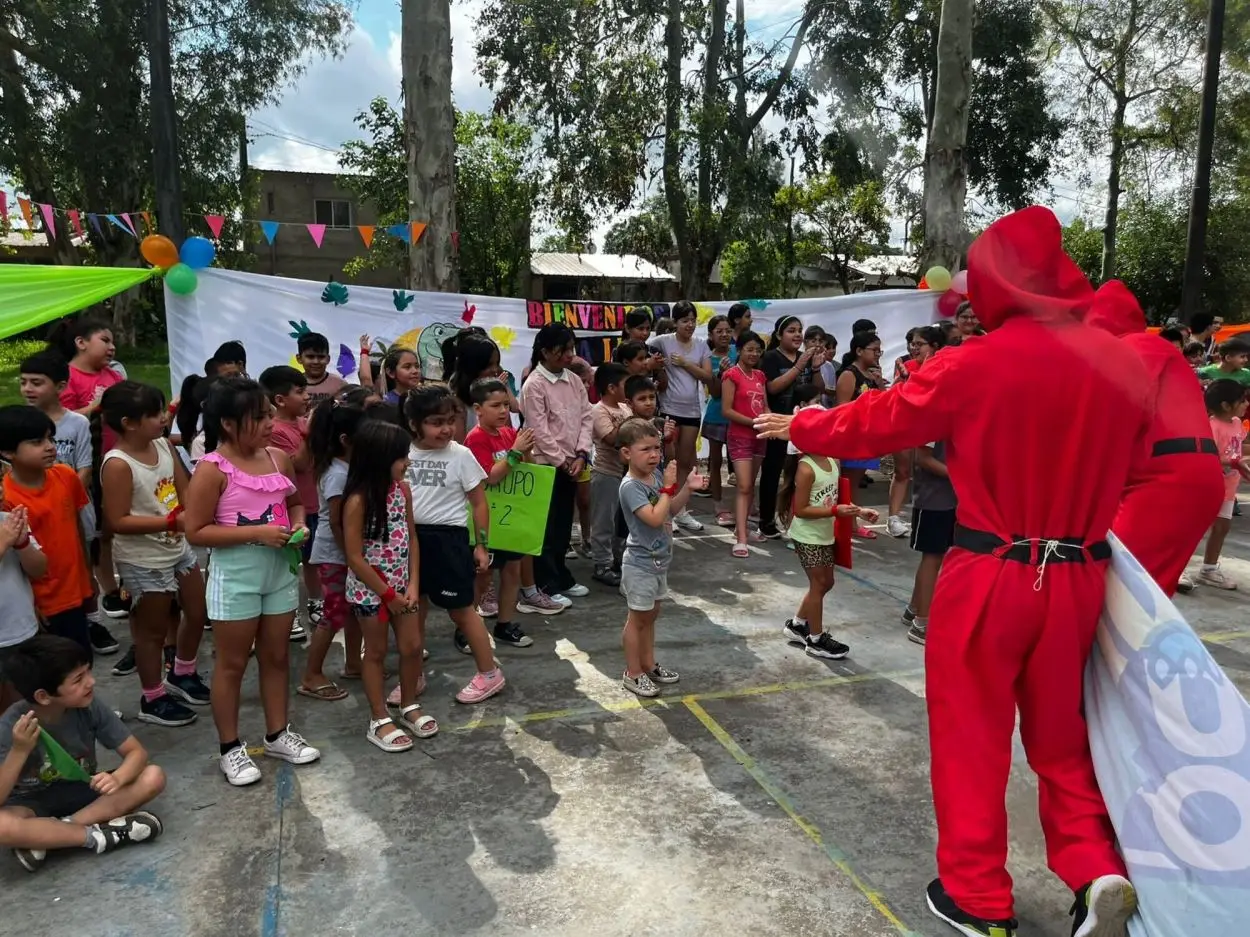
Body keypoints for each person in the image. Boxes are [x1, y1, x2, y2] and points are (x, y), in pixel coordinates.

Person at [757, 206, 1148, 937]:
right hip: (1079, 576)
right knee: (1063, 736)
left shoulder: (975, 362)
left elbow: (882, 420)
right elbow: (1136, 471)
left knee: (972, 734)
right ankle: (1094, 865)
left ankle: (980, 897)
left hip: (992, 568)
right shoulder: (1123, 362)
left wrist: (805, 424)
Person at [183, 377, 320, 787]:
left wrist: (297, 525)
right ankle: (230, 748)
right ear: (227, 423)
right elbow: (196, 531)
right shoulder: (212, 469)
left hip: (280, 570)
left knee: (277, 656)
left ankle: (278, 733)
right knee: (232, 663)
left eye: (268, 414)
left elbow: (294, 502)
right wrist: (257, 533)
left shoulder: (279, 458)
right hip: (236, 576)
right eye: (258, 416)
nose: (269, 422)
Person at [1083, 280, 1225, 597]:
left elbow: (1118, 411)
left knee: (1117, 594)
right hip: (1192, 475)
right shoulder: (1159, 349)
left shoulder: (1133, 347)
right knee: (1147, 597)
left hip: (1164, 482)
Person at [0, 635, 165, 873]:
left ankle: (52, 834)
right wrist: (19, 750)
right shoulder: (10, 726)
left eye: (88, 672)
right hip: (30, 805)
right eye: (78, 679)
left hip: (84, 789)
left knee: (153, 776)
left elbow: (136, 753)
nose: (91, 682)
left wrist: (117, 778)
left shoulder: (89, 707)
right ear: (43, 696)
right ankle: (95, 836)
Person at [99, 382, 210, 728]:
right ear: (129, 422)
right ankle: (152, 696)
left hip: (178, 548)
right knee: (151, 631)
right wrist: (171, 520)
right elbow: (116, 521)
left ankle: (182, 672)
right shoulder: (118, 464)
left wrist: (191, 514)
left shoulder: (162, 444)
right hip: (142, 559)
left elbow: (184, 487)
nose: (164, 418)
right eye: (155, 414)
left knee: (198, 609)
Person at [404, 386, 507, 703]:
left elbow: (479, 503)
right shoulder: (402, 451)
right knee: (413, 609)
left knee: (461, 611)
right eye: (436, 422)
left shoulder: (460, 454)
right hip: (409, 539)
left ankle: (490, 674)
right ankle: (413, 675)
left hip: (448, 540)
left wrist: (481, 545)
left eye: (450, 420)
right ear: (414, 423)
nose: (446, 429)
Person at [341, 420, 436, 751]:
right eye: (401, 457)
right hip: (372, 592)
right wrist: (387, 595)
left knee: (412, 647)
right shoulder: (356, 501)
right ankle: (379, 717)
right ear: (380, 458)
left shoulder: (403, 491)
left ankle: (408, 704)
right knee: (377, 652)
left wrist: (413, 583)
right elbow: (354, 557)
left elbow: (411, 537)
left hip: (402, 588)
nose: (407, 463)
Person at [18, 351, 117, 654]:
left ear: (60, 387)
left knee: (80, 563)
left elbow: (84, 467)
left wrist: (65, 496)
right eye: (23, 383)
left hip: (73, 506)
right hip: (35, 510)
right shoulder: (16, 425)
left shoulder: (76, 423)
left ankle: (91, 621)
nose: (28, 389)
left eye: (36, 382)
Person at [776, 397, 877, 660]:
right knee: (819, 583)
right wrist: (835, 512)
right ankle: (816, 639)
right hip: (807, 535)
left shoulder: (833, 460)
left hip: (824, 533)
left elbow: (837, 498)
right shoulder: (806, 468)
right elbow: (802, 510)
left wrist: (860, 511)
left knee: (826, 582)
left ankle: (798, 624)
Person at [0, 407, 94, 658]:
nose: (50, 446)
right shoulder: (6, 498)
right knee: (50, 674)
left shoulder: (65, 476)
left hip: (74, 590)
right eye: (36, 442)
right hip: (41, 602)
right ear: (8, 452)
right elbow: (14, 559)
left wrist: (88, 576)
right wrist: (30, 604)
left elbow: (76, 526)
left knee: (81, 661)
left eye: (50, 439)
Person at [616, 418, 701, 698]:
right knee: (637, 619)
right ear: (627, 453)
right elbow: (653, 519)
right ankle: (633, 672)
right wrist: (666, 488)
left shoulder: (654, 477)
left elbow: (669, 511)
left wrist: (686, 488)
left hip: (659, 561)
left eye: (657, 448)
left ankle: (648, 663)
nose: (654, 455)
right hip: (639, 563)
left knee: (651, 616)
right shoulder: (631, 487)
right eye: (646, 449)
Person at [300, 393, 369, 700]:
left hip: (346, 554)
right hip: (335, 554)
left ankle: (354, 663)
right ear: (346, 439)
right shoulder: (337, 475)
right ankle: (311, 674)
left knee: (351, 612)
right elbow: (338, 522)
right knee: (334, 614)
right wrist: (353, 557)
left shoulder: (345, 467)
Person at [518, 324, 593, 604]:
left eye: (571, 349)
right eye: (564, 350)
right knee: (545, 527)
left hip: (573, 463)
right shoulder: (534, 385)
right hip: (545, 465)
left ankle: (560, 575)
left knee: (563, 524)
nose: (569, 356)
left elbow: (586, 417)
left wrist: (582, 454)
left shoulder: (573, 381)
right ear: (546, 352)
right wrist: (563, 462)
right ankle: (545, 583)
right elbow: (538, 431)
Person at [464, 378, 536, 650]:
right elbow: (490, 478)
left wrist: (525, 452)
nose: (503, 411)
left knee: (512, 571)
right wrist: (516, 454)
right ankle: (466, 627)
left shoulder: (508, 434)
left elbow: (528, 469)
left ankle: (505, 624)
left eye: (506, 404)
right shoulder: (475, 439)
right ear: (478, 409)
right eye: (495, 405)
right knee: (482, 575)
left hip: (511, 518)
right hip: (486, 518)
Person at [260, 366, 319, 639]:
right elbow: (299, 465)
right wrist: (310, 435)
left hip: (314, 503)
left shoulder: (303, 422)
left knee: (313, 560)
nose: (307, 396)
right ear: (280, 400)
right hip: (290, 506)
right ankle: (289, 610)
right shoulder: (277, 431)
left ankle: (316, 602)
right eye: (300, 391)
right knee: (290, 561)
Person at [648, 300, 713, 532]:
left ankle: (682, 511)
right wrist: (656, 368)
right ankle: (666, 511)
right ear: (675, 322)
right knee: (669, 461)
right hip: (668, 410)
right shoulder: (662, 342)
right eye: (685, 320)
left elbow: (707, 376)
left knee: (687, 461)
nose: (690, 325)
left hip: (692, 411)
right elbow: (640, 350)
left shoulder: (701, 345)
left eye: (693, 320)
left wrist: (685, 363)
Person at [758, 316, 824, 539]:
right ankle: (766, 521)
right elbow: (773, 387)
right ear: (778, 335)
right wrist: (799, 365)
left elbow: (816, 392)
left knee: (799, 474)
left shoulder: (804, 358)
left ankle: (794, 519)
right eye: (791, 331)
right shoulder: (770, 357)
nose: (797, 335)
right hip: (778, 424)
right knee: (772, 473)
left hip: (802, 426)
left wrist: (814, 369)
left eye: (799, 331)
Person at [1197, 379, 1250, 590]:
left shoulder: (1237, 423)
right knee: (1194, 528)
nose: (1246, 404)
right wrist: (1235, 462)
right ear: (1227, 405)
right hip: (1209, 487)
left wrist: (1241, 460)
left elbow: (1240, 448)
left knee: (1222, 527)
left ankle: (1209, 569)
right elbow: (1208, 459)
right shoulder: (1212, 427)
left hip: (1229, 487)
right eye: (1242, 400)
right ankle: (1177, 567)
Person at [721, 331, 770, 558]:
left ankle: (744, 529)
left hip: (760, 437)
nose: (754, 354)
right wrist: (754, 422)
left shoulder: (760, 375)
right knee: (743, 486)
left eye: (758, 350)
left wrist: (769, 421)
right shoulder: (731, 375)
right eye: (749, 349)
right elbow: (727, 410)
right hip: (740, 437)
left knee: (750, 484)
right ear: (739, 350)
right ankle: (740, 538)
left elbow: (765, 405)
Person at [835, 332, 886, 539]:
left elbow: (883, 403)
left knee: (853, 483)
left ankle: (851, 522)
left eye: (879, 350)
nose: (877, 354)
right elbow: (842, 409)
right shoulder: (849, 375)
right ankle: (850, 524)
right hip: (853, 437)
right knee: (847, 482)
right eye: (874, 350)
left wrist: (880, 383)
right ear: (858, 351)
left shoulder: (871, 375)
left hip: (868, 436)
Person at [588, 363, 633, 586]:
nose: (630, 388)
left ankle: (618, 559)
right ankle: (602, 564)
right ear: (612, 388)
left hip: (625, 473)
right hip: (606, 473)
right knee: (603, 521)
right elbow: (612, 439)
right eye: (626, 384)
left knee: (621, 522)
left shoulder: (626, 408)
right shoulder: (598, 410)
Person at [703, 316, 736, 527]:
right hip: (716, 416)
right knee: (715, 463)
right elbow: (714, 393)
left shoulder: (739, 354)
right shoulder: (708, 359)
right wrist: (721, 373)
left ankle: (746, 506)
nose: (724, 334)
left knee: (742, 463)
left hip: (738, 416)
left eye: (727, 330)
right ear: (711, 335)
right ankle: (718, 506)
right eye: (719, 331)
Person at [297, 332, 348, 409]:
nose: (316, 362)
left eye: (321, 357)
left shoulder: (340, 384)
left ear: (328, 359)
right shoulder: (292, 385)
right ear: (299, 358)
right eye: (310, 357)